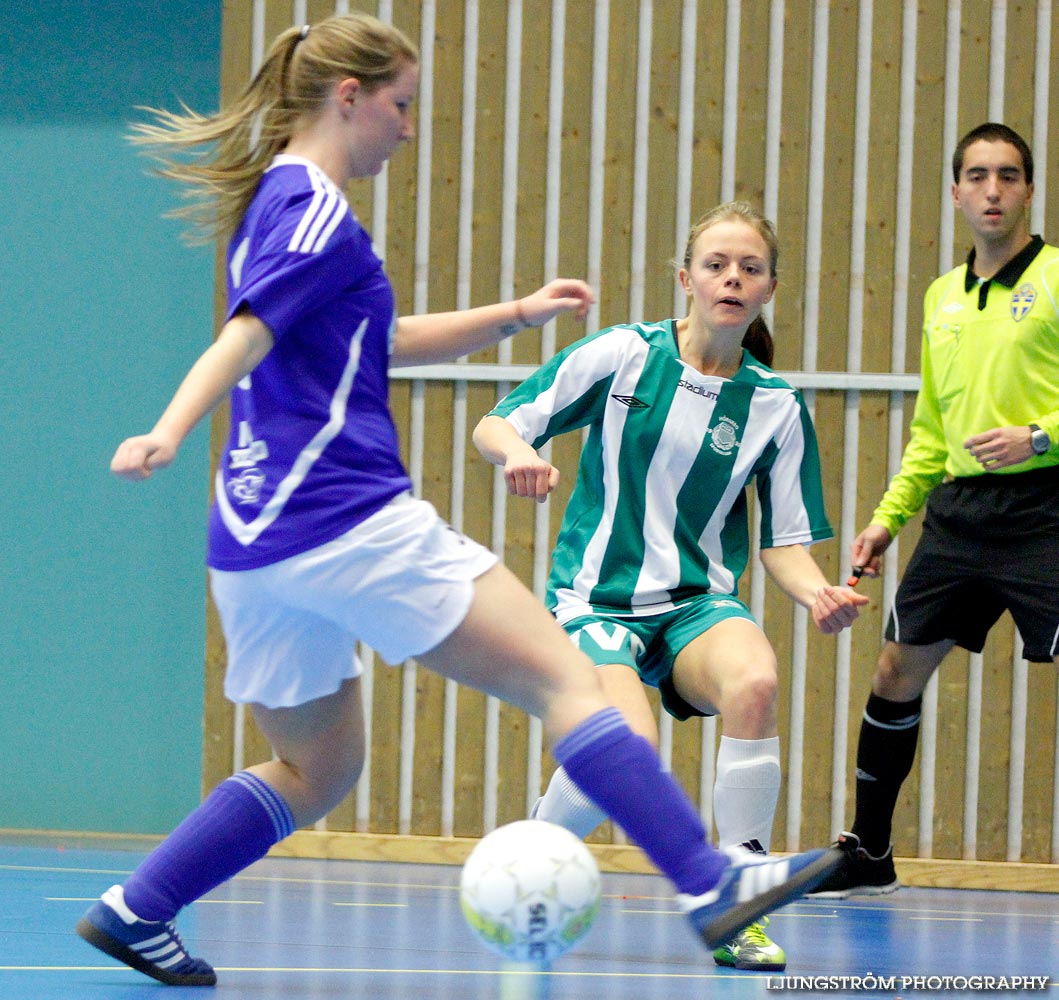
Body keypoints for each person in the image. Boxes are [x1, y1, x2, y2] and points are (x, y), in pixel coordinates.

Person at [73, 14, 840, 987]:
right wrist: (171, 426)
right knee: (570, 682)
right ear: (348, 99)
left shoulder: (277, 204)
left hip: (250, 548)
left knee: (318, 772)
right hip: (348, 520)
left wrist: (515, 315)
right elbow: (248, 333)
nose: (409, 128)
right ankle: (709, 883)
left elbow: (376, 340)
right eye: (402, 106)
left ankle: (137, 906)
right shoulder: (312, 207)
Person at [473, 201, 869, 971]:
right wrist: (514, 456)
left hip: (694, 604)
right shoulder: (622, 354)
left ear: (768, 290)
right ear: (684, 279)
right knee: (628, 744)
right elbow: (498, 422)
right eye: (716, 264)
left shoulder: (775, 406)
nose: (731, 278)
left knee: (754, 678)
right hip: (596, 600)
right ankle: (535, 858)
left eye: (748, 268)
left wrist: (816, 591)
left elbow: (783, 544)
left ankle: (741, 894)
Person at [809, 122, 1059, 898]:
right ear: (955, 193)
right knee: (892, 672)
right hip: (957, 516)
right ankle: (870, 852)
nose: (992, 190)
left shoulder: (1055, 278)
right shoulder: (940, 297)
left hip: (1046, 510)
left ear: (1026, 190)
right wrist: (887, 517)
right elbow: (931, 427)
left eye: (1008, 176)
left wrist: (1039, 437)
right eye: (977, 176)